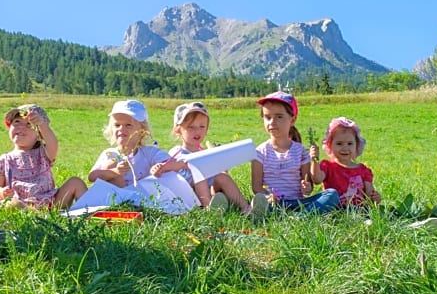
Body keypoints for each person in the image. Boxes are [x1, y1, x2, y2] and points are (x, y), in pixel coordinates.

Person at [250, 91, 339, 219]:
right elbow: (256, 187)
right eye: (267, 117)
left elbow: (308, 187)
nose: (272, 122)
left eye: (279, 117)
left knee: (331, 194)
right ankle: (296, 216)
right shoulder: (259, 152)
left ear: (292, 119)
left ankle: (298, 217)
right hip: (274, 203)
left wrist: (306, 187)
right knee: (259, 202)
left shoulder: (301, 151)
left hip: (298, 203)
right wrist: (269, 197)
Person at [150, 101, 252, 213]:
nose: (197, 131)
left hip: (208, 190)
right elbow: (175, 164)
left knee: (222, 176)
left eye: (202, 126)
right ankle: (209, 209)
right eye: (191, 127)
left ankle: (246, 209)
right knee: (198, 171)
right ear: (178, 130)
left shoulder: (202, 151)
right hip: (189, 193)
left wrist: (222, 165)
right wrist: (160, 167)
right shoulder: (177, 151)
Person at [0, 104, 86, 210]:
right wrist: (1, 192)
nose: (21, 127)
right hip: (21, 203)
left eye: (28, 124)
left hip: (51, 203)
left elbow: (53, 143)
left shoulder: (43, 153)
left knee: (76, 182)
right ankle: (32, 214)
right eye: (17, 122)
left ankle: (91, 213)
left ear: (38, 135)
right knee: (6, 204)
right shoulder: (2, 161)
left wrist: (41, 124)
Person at [88, 100, 171, 188]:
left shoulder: (149, 153)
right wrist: (114, 172)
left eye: (128, 125)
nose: (121, 129)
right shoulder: (110, 154)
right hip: (111, 199)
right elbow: (92, 176)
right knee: (110, 167)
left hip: (140, 198)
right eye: (117, 125)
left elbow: (171, 162)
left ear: (142, 131)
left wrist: (160, 167)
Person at [308, 117, 381, 208]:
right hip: (334, 211)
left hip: (359, 212)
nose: (345, 148)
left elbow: (369, 194)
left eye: (350, 144)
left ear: (356, 145)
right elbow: (317, 179)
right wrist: (314, 160)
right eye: (339, 143)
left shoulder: (363, 170)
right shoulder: (328, 166)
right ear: (330, 145)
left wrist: (375, 198)